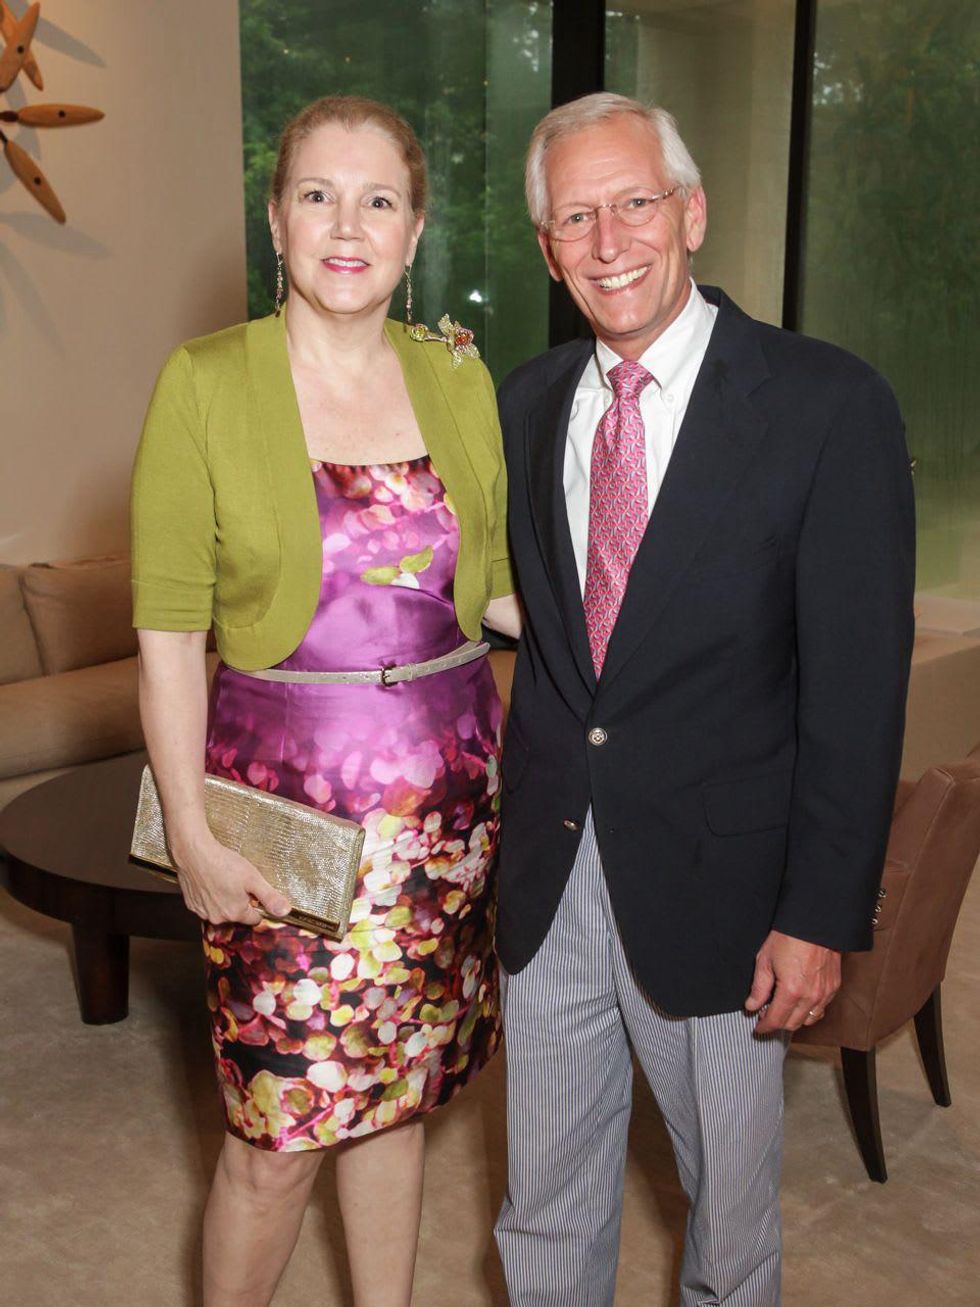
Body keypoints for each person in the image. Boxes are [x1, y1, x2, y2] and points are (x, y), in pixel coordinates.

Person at [493, 92, 915, 1305]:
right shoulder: (525, 404)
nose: (608, 239)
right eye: (575, 216)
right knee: (541, 1209)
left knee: (727, 1234)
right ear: (545, 246)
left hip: (729, 898)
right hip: (551, 872)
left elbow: (855, 685)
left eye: (634, 202)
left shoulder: (825, 405)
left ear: (691, 213)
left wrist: (819, 910)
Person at [131, 95, 520, 1307]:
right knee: (275, 1134)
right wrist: (191, 832)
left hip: (446, 822)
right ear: (274, 218)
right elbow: (166, 630)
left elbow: (500, 589)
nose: (346, 224)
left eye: (378, 198)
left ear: (414, 233)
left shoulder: (457, 374)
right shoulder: (203, 381)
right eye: (316, 193)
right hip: (286, 827)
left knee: (394, 1102)